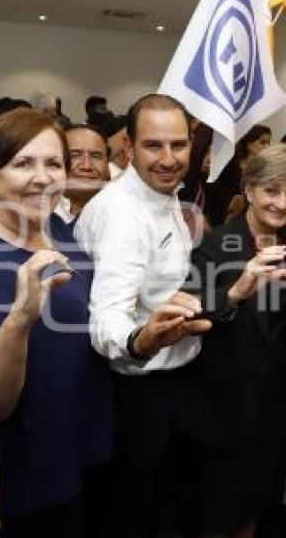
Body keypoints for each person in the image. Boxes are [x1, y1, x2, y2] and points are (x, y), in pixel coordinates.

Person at [0, 109, 114, 536]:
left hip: (78, 444)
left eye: (53, 164)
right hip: (32, 473)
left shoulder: (53, 225)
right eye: (23, 163)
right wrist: (20, 317)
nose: (42, 177)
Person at [74, 93, 212, 537]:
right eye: (154, 146)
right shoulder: (122, 212)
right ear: (128, 148)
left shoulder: (164, 194)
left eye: (179, 145)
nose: (169, 158)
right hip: (133, 393)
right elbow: (109, 318)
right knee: (128, 513)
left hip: (169, 385)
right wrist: (141, 340)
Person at [185, 144, 286, 537]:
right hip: (222, 411)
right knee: (215, 516)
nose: (282, 202)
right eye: (272, 190)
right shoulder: (214, 245)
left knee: (254, 510)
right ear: (250, 190)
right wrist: (237, 291)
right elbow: (194, 310)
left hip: (270, 413)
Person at [55, 123, 110, 226]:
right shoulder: (38, 211)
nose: (86, 166)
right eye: (75, 155)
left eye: (96, 156)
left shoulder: (126, 211)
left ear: (107, 165)